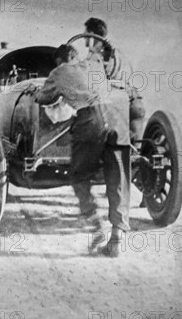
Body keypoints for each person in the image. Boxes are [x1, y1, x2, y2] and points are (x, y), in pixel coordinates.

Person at [36, 44, 130, 257]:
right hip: (116, 116)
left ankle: (96, 227)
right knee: (117, 176)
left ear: (63, 59)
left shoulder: (58, 71)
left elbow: (42, 99)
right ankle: (116, 238)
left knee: (79, 177)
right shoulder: (94, 63)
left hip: (90, 120)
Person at [84, 17, 146, 146]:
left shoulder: (97, 55)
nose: (84, 41)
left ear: (91, 35)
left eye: (86, 36)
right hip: (134, 100)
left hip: (113, 103)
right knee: (135, 148)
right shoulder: (120, 53)